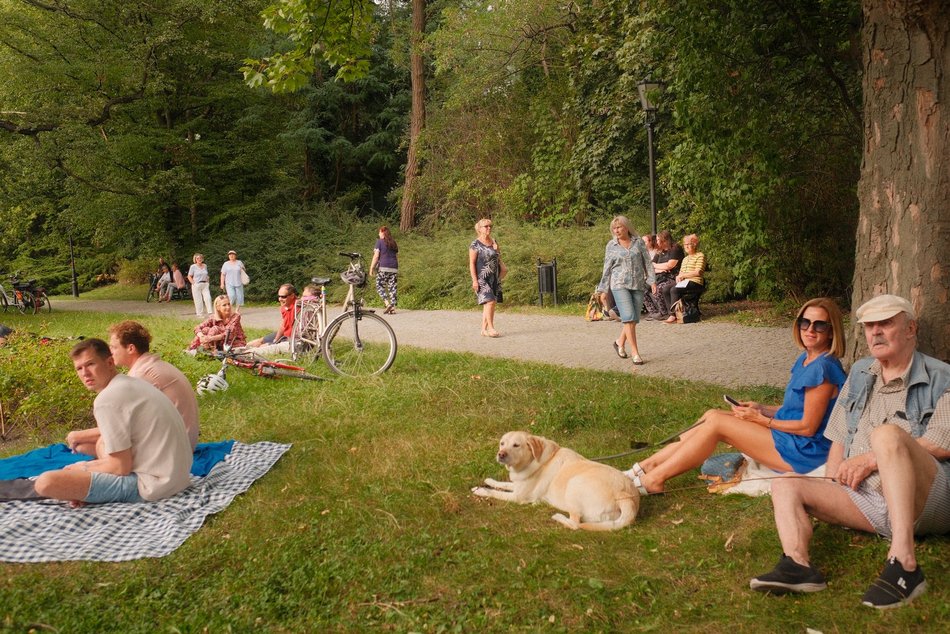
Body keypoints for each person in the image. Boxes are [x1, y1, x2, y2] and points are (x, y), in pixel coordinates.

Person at [749, 294, 950, 610]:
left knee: (886, 436)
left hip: (926, 499)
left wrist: (870, 459)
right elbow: (839, 436)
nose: (875, 333)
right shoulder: (860, 372)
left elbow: (941, 443)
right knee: (784, 484)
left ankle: (905, 565)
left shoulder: (942, 376)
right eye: (870, 326)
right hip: (866, 499)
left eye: (885, 323)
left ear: (911, 329)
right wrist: (831, 484)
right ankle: (798, 565)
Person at [626, 297, 847, 495]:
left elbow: (808, 427)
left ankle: (654, 479)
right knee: (711, 415)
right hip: (790, 439)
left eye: (819, 325)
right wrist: (762, 408)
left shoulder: (823, 369)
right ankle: (646, 466)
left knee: (717, 424)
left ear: (831, 330)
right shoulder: (806, 359)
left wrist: (762, 420)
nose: (810, 329)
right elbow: (798, 409)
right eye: (804, 322)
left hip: (803, 451)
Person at [35, 338, 192, 506]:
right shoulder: (130, 383)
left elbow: (120, 467)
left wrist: (83, 468)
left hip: (153, 485)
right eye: (79, 368)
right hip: (179, 477)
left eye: (90, 364)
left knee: (46, 482)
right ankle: (90, 488)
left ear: (109, 362)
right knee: (94, 445)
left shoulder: (107, 399)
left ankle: (91, 491)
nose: (85, 373)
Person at [105, 321, 200, 450]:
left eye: (114, 347)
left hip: (175, 450)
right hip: (183, 443)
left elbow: (123, 425)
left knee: (98, 444)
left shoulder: (142, 374)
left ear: (131, 348)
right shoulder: (151, 365)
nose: (110, 353)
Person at [597, 216, 656, 365]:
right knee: (629, 317)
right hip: (619, 284)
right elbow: (606, 268)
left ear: (627, 227)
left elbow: (647, 262)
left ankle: (619, 342)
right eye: (614, 228)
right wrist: (603, 289)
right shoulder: (611, 245)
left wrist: (651, 280)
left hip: (637, 284)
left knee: (633, 319)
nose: (616, 230)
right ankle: (635, 353)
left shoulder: (638, 242)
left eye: (619, 227)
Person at [469, 218, 505, 337]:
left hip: (493, 277)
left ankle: (483, 330)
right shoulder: (475, 244)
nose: (489, 228)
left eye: (490, 226)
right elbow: (472, 263)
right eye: (486, 226)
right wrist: (474, 280)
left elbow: (498, 256)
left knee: (489, 303)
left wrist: (497, 250)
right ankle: (491, 328)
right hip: (482, 277)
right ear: (479, 229)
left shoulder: (494, 241)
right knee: (490, 301)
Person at [665, 234, 707, 323]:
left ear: (694, 244)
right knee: (666, 289)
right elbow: (681, 273)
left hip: (695, 281)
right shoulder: (685, 259)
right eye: (685, 244)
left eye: (688, 244)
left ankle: (674, 315)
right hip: (684, 281)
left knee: (674, 290)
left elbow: (698, 272)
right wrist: (678, 278)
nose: (686, 246)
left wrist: (683, 276)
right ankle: (671, 313)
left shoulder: (700, 255)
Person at [644, 230, 684, 321]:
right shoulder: (659, 252)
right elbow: (651, 265)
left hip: (673, 277)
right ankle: (653, 312)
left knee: (659, 289)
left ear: (664, 240)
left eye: (658, 240)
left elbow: (670, 265)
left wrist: (657, 266)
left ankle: (664, 313)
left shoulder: (675, 249)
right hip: (660, 276)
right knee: (642, 289)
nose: (657, 242)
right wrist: (661, 268)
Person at [247, 283, 297, 352]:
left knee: (263, 347)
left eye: (283, 297)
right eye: (279, 296)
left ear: (292, 296)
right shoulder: (284, 306)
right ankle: (240, 347)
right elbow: (283, 325)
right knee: (259, 341)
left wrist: (274, 343)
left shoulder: (298, 307)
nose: (280, 299)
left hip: (289, 338)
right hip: (284, 333)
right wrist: (275, 340)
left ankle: (247, 353)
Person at [370, 225, 399, 315]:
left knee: (379, 286)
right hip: (394, 268)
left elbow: (376, 256)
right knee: (392, 287)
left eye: (379, 232)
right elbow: (396, 256)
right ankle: (393, 308)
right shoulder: (393, 242)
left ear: (382, 233)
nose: (378, 234)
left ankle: (387, 304)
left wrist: (371, 268)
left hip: (383, 267)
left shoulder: (379, 242)